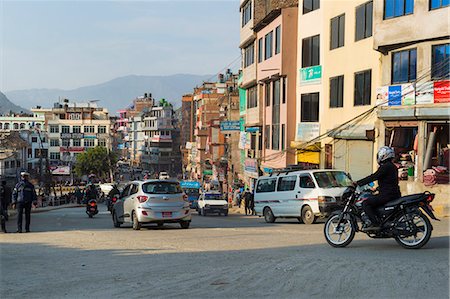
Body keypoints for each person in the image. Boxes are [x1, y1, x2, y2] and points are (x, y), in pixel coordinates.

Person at [356, 146, 401, 230]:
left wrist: (358, 183)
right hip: (392, 193)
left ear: (383, 155)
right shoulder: (392, 166)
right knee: (373, 200)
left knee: (366, 203)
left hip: (387, 195)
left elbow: (374, 177)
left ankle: (375, 224)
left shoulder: (385, 167)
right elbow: (388, 182)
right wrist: (376, 189)